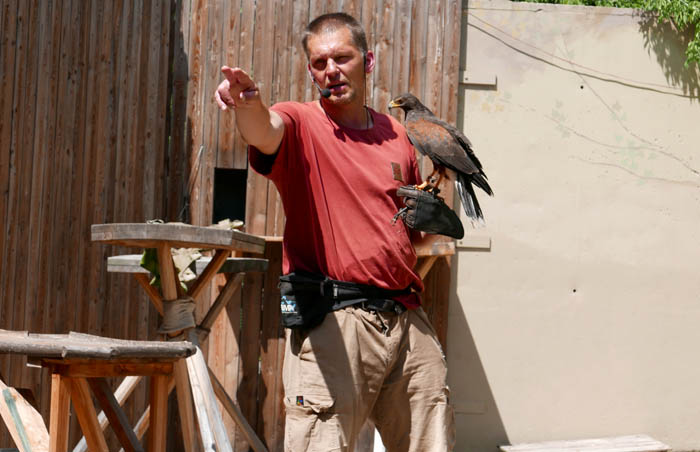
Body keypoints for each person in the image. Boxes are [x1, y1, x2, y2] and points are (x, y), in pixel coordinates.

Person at [215, 12, 455, 452]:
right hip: (335, 317)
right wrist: (246, 104)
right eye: (320, 62)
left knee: (432, 442)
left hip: (406, 318)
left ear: (368, 61)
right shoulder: (301, 121)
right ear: (310, 70)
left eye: (342, 58)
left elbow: (410, 235)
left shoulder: (399, 135)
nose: (331, 70)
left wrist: (432, 213)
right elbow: (264, 132)